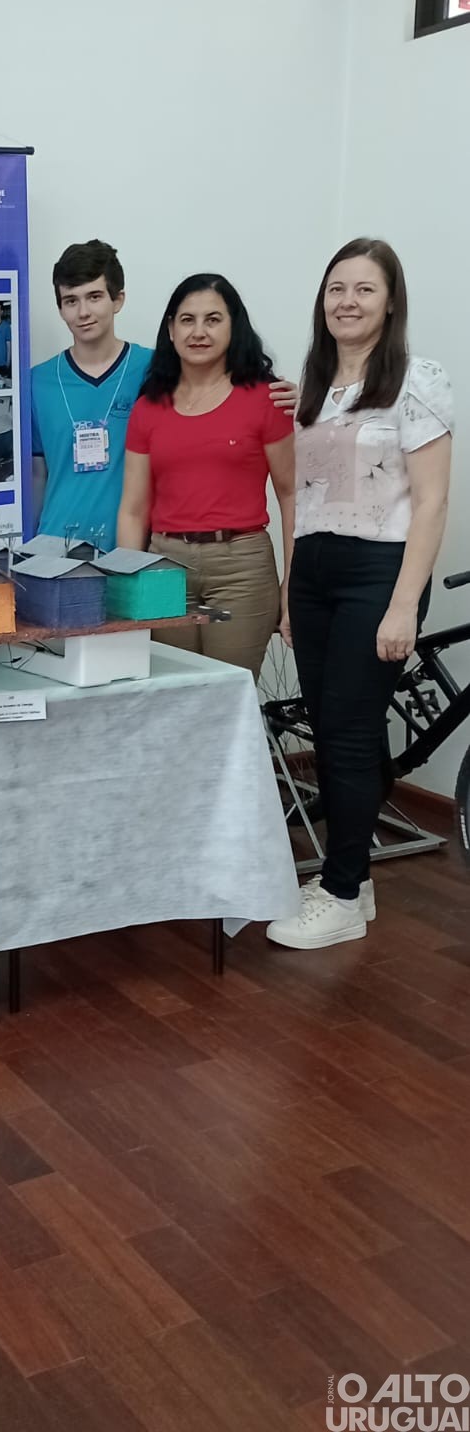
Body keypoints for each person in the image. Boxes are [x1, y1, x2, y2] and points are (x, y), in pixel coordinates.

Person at [268, 239, 453, 950]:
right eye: (336, 288)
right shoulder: (314, 388)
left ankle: (342, 893)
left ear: (391, 301)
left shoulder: (417, 379)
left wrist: (404, 603)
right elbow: (305, 500)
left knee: (346, 735)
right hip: (315, 570)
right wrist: (292, 593)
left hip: (380, 573)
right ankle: (356, 880)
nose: (347, 301)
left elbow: (432, 502)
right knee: (335, 728)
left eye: (364, 289)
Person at [116, 273, 294, 677]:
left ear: (234, 326)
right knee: (173, 694)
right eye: (187, 320)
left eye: (213, 320)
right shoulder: (149, 407)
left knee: (226, 693)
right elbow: (133, 508)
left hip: (240, 571)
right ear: (171, 329)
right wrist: (131, 586)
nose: (199, 332)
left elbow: (292, 494)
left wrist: (292, 583)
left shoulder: (266, 399)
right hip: (165, 569)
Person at [30, 241, 153, 551]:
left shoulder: (153, 369)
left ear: (118, 300)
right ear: (60, 309)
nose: (83, 312)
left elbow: (211, 389)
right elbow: (36, 476)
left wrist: (268, 391)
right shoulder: (37, 382)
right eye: (71, 301)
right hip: (53, 550)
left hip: (129, 550)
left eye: (94, 297)